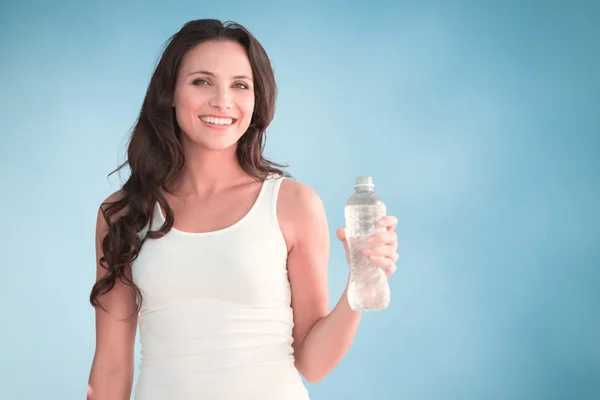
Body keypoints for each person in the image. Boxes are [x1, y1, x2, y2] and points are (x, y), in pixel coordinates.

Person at [86, 19, 399, 400]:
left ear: (257, 99)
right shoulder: (125, 213)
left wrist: (358, 283)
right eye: (202, 81)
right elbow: (110, 366)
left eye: (240, 85)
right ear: (169, 93)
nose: (222, 101)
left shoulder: (292, 204)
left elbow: (313, 364)